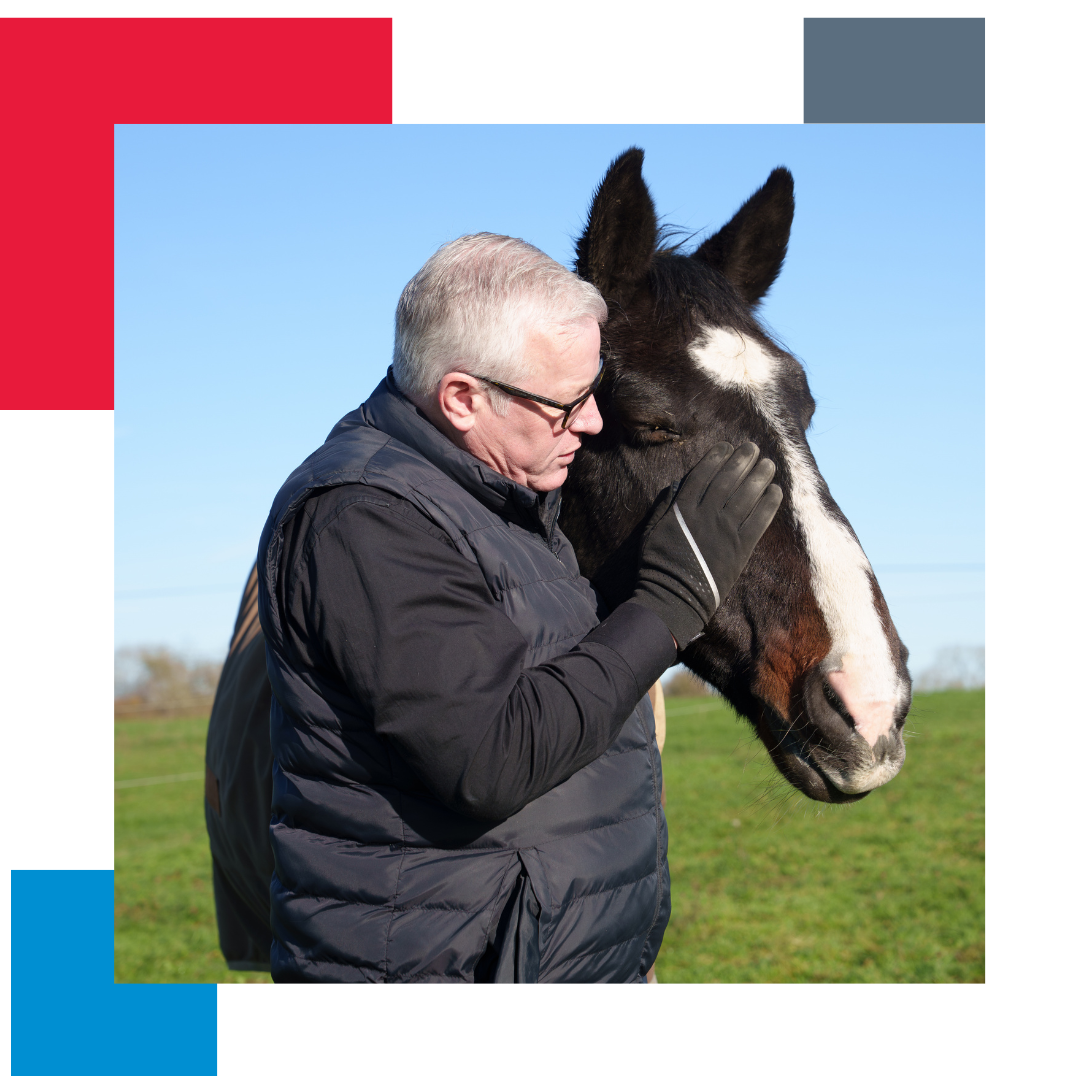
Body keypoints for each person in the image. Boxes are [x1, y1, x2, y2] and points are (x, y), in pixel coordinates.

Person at [256, 233, 782, 982]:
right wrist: (667, 602)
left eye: (594, 391)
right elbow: (490, 758)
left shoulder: (505, 495)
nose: (593, 423)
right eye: (568, 405)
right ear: (463, 399)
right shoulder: (363, 518)